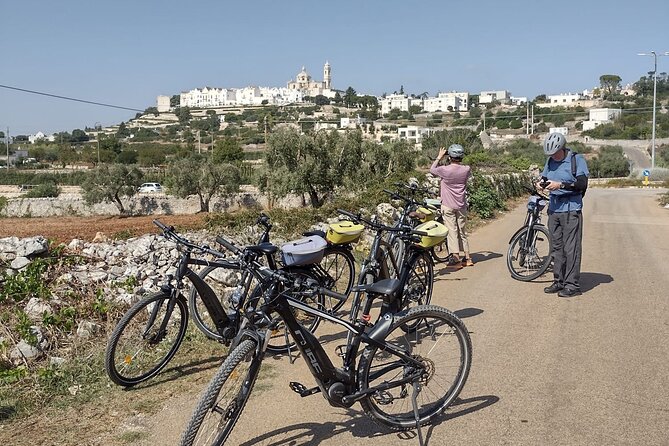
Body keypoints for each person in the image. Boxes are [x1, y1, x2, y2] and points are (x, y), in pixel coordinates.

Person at [538, 132, 589, 297]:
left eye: (555, 153)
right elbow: (545, 176)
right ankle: (559, 281)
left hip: (570, 209)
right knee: (556, 247)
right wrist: (541, 183)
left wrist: (561, 184)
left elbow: (582, 184)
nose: (553, 156)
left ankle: (572, 285)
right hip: (554, 209)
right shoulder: (550, 161)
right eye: (550, 154)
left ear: (562, 148)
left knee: (571, 248)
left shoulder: (576, 160)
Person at [430, 144, 474, 266]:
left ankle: (455, 257)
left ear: (450, 156)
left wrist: (439, 157)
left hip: (448, 205)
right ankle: (468, 258)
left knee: (452, 231)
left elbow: (432, 170)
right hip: (461, 205)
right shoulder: (466, 169)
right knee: (462, 231)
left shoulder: (444, 170)